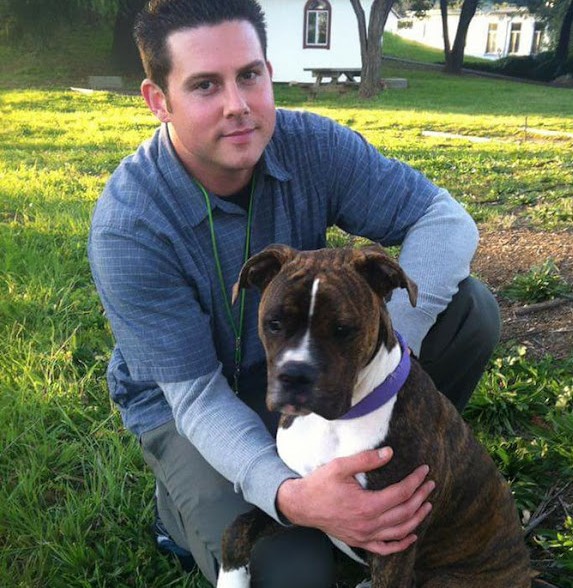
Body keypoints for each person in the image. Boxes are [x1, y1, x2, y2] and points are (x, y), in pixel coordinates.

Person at [88, 0, 501, 586]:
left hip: (312, 360)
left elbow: (444, 217)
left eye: (249, 76)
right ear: (159, 101)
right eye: (205, 85)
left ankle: (384, 464)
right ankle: (181, 502)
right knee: (290, 573)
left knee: (469, 311)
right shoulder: (130, 226)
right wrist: (291, 497)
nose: (238, 106)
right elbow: (195, 397)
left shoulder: (311, 145)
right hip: (194, 404)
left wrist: (393, 347)